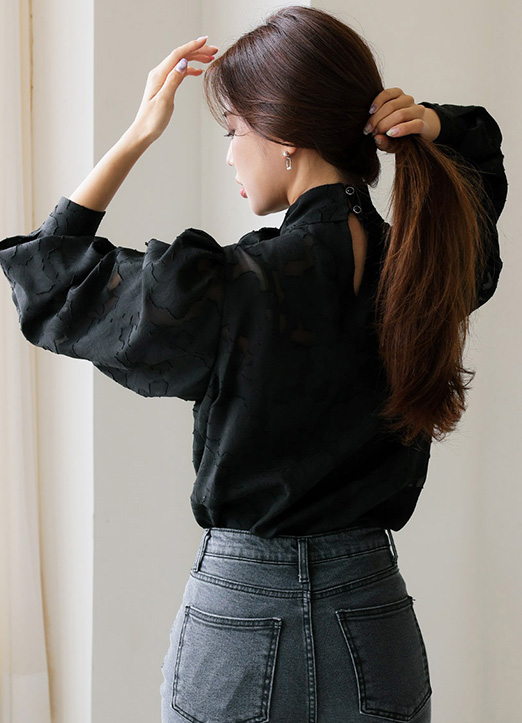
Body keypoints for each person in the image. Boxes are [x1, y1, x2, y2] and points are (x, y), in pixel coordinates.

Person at [0, 6, 507, 723]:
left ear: (286, 138)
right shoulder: (424, 267)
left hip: (240, 624)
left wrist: (138, 133)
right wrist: (436, 125)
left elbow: (52, 280)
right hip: (372, 623)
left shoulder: (232, 286)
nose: (231, 154)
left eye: (234, 131)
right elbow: (478, 182)